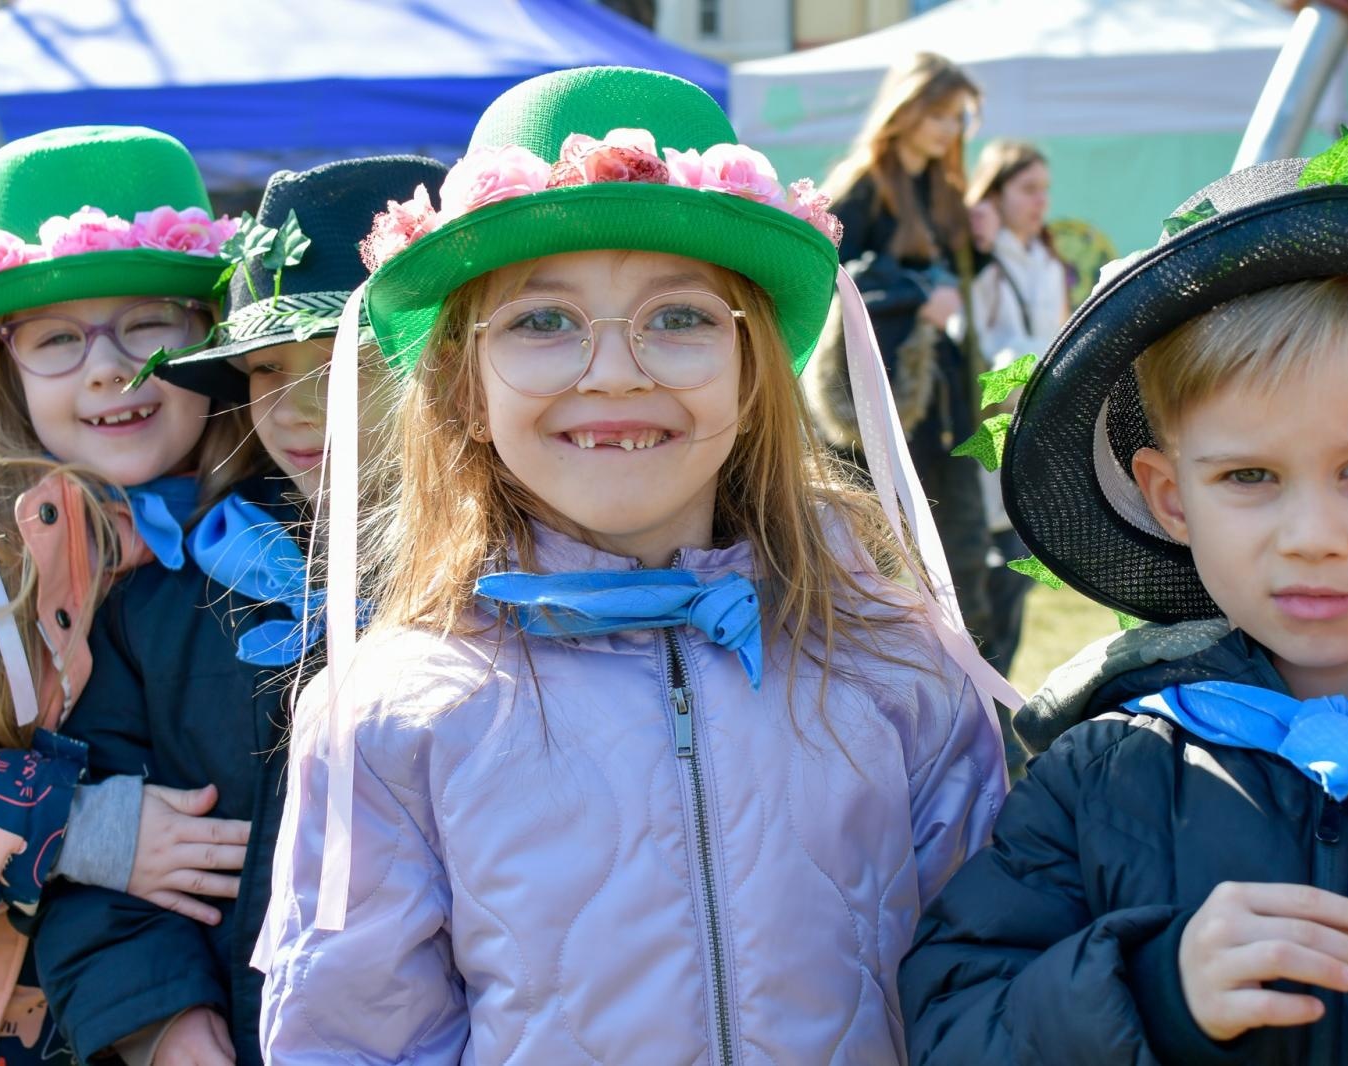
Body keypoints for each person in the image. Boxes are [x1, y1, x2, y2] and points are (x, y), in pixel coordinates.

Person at [255, 66, 1010, 1064]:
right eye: (540, 321)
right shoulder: (391, 711)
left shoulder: (896, 665)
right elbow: (350, 1038)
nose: (614, 369)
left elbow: (985, 988)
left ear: (753, 377)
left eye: (681, 318)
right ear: (464, 390)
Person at [901, 139, 1348, 1064]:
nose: (1311, 534)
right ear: (1171, 498)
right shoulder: (1098, 773)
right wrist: (1153, 990)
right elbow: (955, 1026)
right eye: (1249, 475)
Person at [32, 155, 446, 1066]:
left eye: (346, 368)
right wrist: (162, 1024)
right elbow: (101, 876)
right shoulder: (168, 599)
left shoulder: (512, 591)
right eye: (265, 370)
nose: (296, 410)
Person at [0, 126, 256, 1066]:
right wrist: (79, 826)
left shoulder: (273, 533)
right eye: (58, 337)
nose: (111, 367)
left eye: (150, 322)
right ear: (5, 361)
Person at [806, 52, 999, 663]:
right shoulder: (863, 182)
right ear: (907, 108)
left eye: (958, 117)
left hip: (942, 401)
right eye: (940, 114)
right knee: (888, 559)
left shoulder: (941, 190)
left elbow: (943, 285)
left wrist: (981, 249)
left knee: (963, 557)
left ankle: (983, 716)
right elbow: (827, 276)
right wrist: (918, 295)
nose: (950, 130)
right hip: (875, 403)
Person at [964, 140, 1070, 676]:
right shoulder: (979, 262)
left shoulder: (1048, 263)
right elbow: (971, 353)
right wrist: (1022, 372)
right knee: (976, 609)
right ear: (995, 192)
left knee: (1014, 603)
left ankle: (1005, 735)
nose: (1040, 202)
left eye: (1045, 190)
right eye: (1028, 189)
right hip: (982, 449)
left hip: (1032, 448)